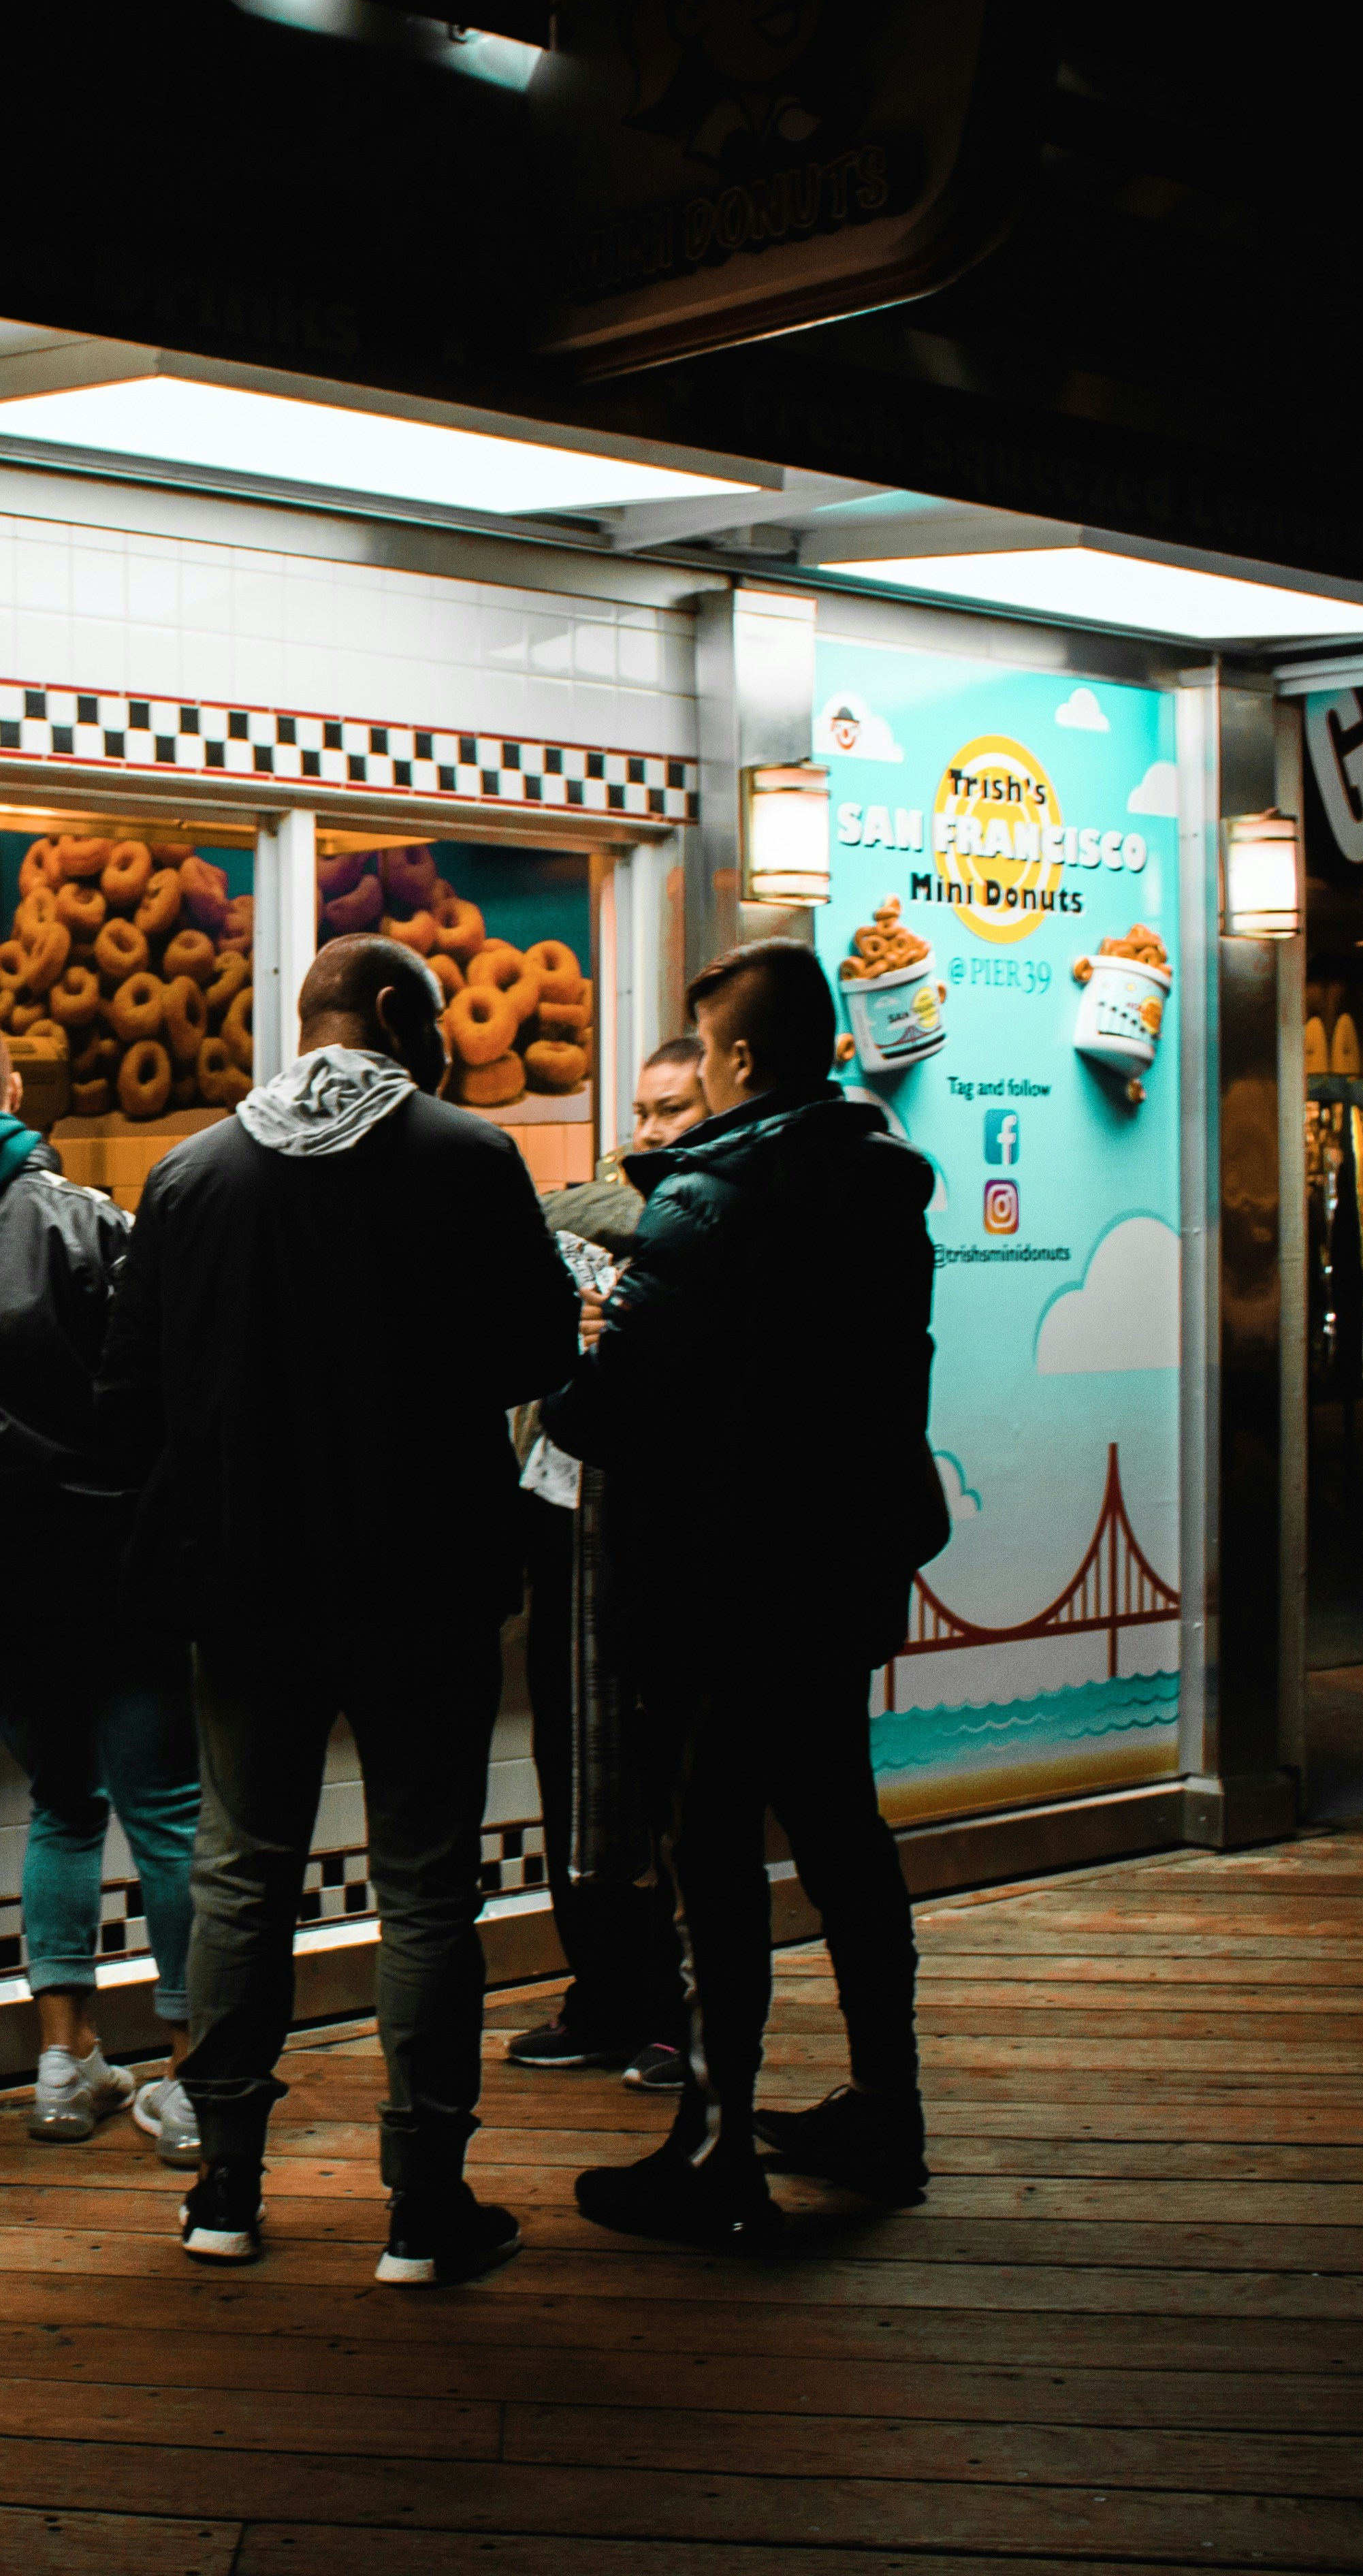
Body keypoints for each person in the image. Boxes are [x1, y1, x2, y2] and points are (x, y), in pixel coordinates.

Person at [99, 934, 581, 2285]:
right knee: (427, 1881)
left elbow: (126, 1389)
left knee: (248, 1873)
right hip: (423, 1577)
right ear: (387, 1012)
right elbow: (541, 1348)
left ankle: (225, 2190)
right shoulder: (468, 1157)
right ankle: (424, 2205)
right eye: (428, 1026)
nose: (441, 1053)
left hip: (244, 1586)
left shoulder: (188, 1175)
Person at [544, 942, 943, 2251]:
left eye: (706, 1054)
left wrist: (570, 1355)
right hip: (845, 1567)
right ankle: (890, 2108)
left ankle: (714, 2146)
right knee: (842, 1835)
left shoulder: (708, 1201)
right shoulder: (885, 1186)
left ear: (745, 1061)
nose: (699, 1077)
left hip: (718, 1581)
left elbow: (613, 1411)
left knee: (713, 1859)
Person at [0, 1002, 202, 2161]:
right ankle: (191, 2077)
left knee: (63, 1803)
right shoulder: (84, 1221)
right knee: (166, 1811)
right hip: (110, 1565)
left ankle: (64, 2067)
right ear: (14, 1094)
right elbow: (149, 1388)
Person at [504, 1036, 707, 2089]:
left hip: (658, 1526)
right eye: (643, 1109)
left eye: (673, 1109)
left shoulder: (714, 1231)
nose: (650, 1130)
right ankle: (603, 1994)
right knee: (570, 1771)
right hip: (562, 1509)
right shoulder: (576, 1219)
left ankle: (678, 2007)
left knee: (657, 1773)